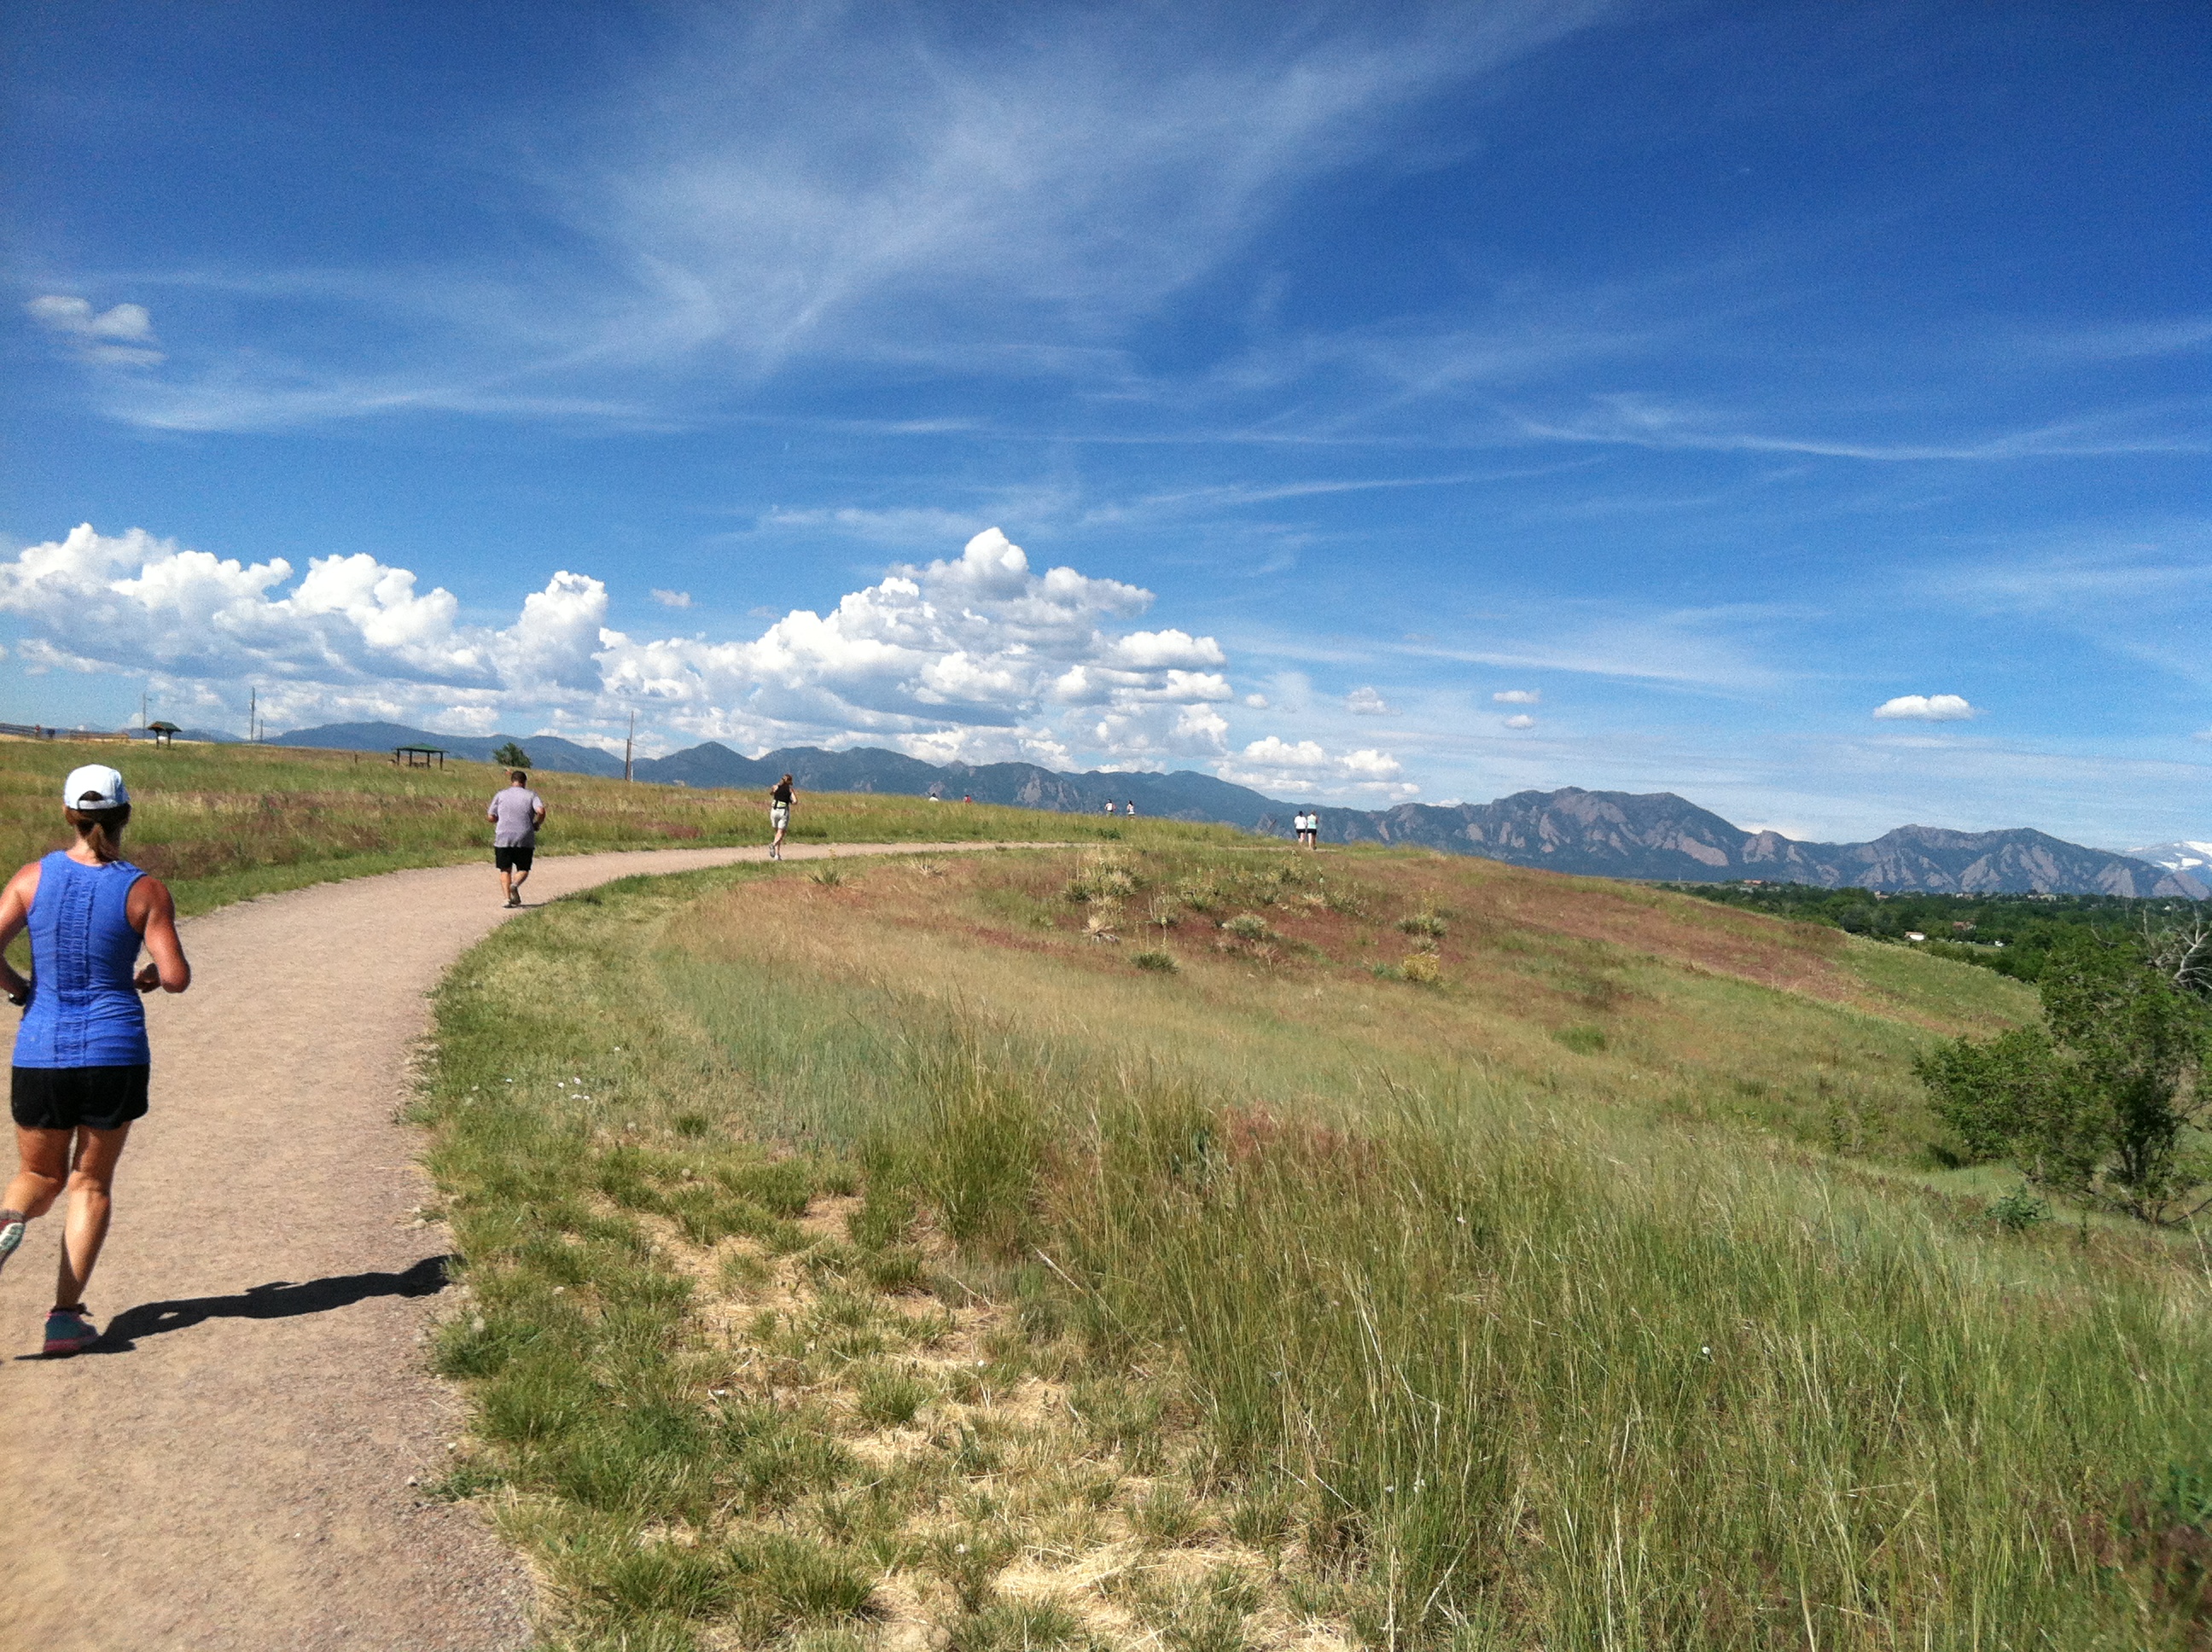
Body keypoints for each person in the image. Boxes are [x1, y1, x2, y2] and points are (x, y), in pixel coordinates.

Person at [0, 765, 192, 1356]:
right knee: (90, 1181)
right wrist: (153, 975)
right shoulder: (145, 889)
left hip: (42, 1049)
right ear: (125, 815)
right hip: (114, 1052)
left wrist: (18, 988)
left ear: (68, 815)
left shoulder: (31, 878)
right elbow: (178, 977)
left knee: (40, 1177)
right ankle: (64, 1318)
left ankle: (6, 1220)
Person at [486, 769, 546, 907]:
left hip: (503, 837)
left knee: (505, 869)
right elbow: (541, 811)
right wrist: (537, 823)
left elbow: (490, 817)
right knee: (524, 868)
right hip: (524, 837)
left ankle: (507, 899)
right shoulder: (531, 795)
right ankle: (515, 884)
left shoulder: (501, 795)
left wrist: (498, 819)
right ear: (524, 782)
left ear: (512, 781)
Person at [770, 773, 795, 860]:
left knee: (777, 833)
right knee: (781, 833)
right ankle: (773, 845)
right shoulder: (790, 790)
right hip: (783, 812)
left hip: (774, 811)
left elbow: (771, 793)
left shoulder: (776, 787)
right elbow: (795, 801)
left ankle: (777, 855)